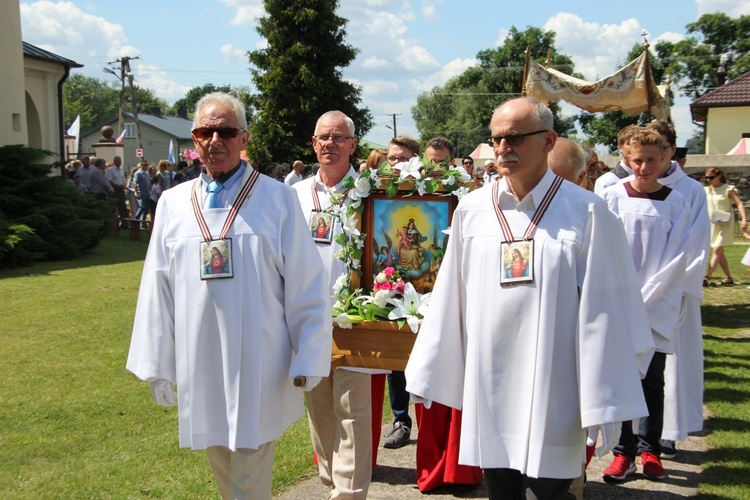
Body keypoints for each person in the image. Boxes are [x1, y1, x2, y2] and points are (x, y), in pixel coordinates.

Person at [405, 97, 652, 500]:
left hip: (556, 387)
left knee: (550, 492)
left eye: (515, 138)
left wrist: (599, 389)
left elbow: (607, 308)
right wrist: (435, 366)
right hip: (491, 385)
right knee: (500, 490)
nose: (503, 148)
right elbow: (452, 295)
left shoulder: (588, 213)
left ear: (549, 140)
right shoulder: (472, 210)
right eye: (497, 139)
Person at [126, 92, 332, 500]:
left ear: (244, 138)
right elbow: (157, 287)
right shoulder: (172, 203)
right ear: (194, 139)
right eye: (206, 131)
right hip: (200, 358)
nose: (215, 140)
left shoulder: (278, 198)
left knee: (249, 467)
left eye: (226, 131)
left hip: (260, 358)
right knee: (221, 457)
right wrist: (158, 363)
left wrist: (309, 354)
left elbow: (306, 283)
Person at [293, 110, 386, 499]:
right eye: (322, 138)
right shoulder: (293, 194)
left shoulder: (371, 191)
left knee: (352, 409)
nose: (329, 143)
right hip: (306, 319)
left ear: (352, 144)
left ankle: (349, 492)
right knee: (320, 410)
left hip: (353, 317)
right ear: (314, 144)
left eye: (338, 137)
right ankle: (333, 482)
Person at [601, 128, 690, 483]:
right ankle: (623, 452)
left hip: (655, 304)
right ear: (626, 157)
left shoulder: (677, 202)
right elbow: (603, 251)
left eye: (652, 159)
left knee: (652, 380)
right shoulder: (610, 197)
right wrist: (618, 298)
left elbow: (676, 258)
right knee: (623, 378)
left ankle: (649, 447)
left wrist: (647, 300)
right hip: (618, 301)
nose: (644, 167)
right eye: (637, 160)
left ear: (666, 158)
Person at [645, 122, 710, 461]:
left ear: (671, 149)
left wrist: (669, 287)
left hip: (674, 293)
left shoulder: (691, 191)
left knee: (670, 366)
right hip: (639, 295)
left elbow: (696, 246)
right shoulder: (628, 188)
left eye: (664, 146)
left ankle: (669, 431)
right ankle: (636, 436)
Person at [383, 135, 421, 450]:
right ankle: (400, 419)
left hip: (425, 283)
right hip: (390, 280)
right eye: (391, 158)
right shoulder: (379, 193)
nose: (395, 163)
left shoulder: (433, 193)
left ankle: (432, 424)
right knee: (396, 354)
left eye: (402, 158)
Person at [704, 166, 747, 286]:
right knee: (719, 251)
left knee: (717, 249)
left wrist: (744, 219)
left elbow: (739, 204)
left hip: (725, 224)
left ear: (718, 177)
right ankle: (728, 277)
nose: (708, 180)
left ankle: (707, 277)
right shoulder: (705, 190)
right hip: (711, 222)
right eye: (706, 177)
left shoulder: (727, 189)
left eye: (711, 177)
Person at [594, 124, 640, 196]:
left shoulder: (652, 179)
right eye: (629, 143)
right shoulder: (606, 181)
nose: (634, 147)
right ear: (620, 147)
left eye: (638, 143)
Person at [106, 156, 129, 227]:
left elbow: (122, 180)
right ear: (114, 162)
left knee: (123, 207)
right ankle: (111, 224)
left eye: (120, 161)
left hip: (121, 190)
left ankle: (124, 224)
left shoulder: (121, 170)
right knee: (113, 207)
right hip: (114, 190)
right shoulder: (110, 170)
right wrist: (118, 185)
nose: (119, 162)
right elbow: (109, 181)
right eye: (118, 161)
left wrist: (123, 185)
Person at [132, 160, 151, 229]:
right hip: (141, 193)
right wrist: (137, 193)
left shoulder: (147, 173)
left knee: (146, 208)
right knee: (142, 207)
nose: (146, 166)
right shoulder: (138, 173)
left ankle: (143, 223)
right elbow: (135, 183)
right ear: (141, 165)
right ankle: (136, 219)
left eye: (147, 165)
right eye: (145, 165)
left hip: (146, 193)